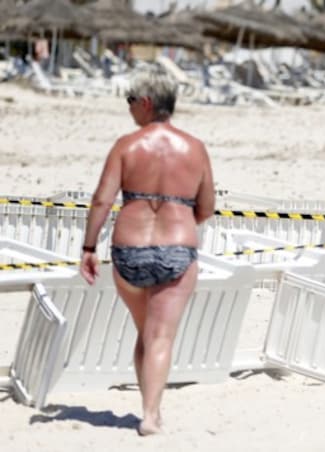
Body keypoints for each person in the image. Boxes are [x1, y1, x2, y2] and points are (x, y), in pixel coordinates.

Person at [79, 68, 215, 436]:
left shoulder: (126, 146)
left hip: (129, 251)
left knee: (146, 332)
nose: (128, 109)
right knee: (160, 336)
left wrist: (89, 247)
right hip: (177, 251)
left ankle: (149, 408)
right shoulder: (195, 148)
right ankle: (151, 416)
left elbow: (101, 200)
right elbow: (206, 207)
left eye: (130, 101)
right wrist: (180, 220)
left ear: (147, 103)